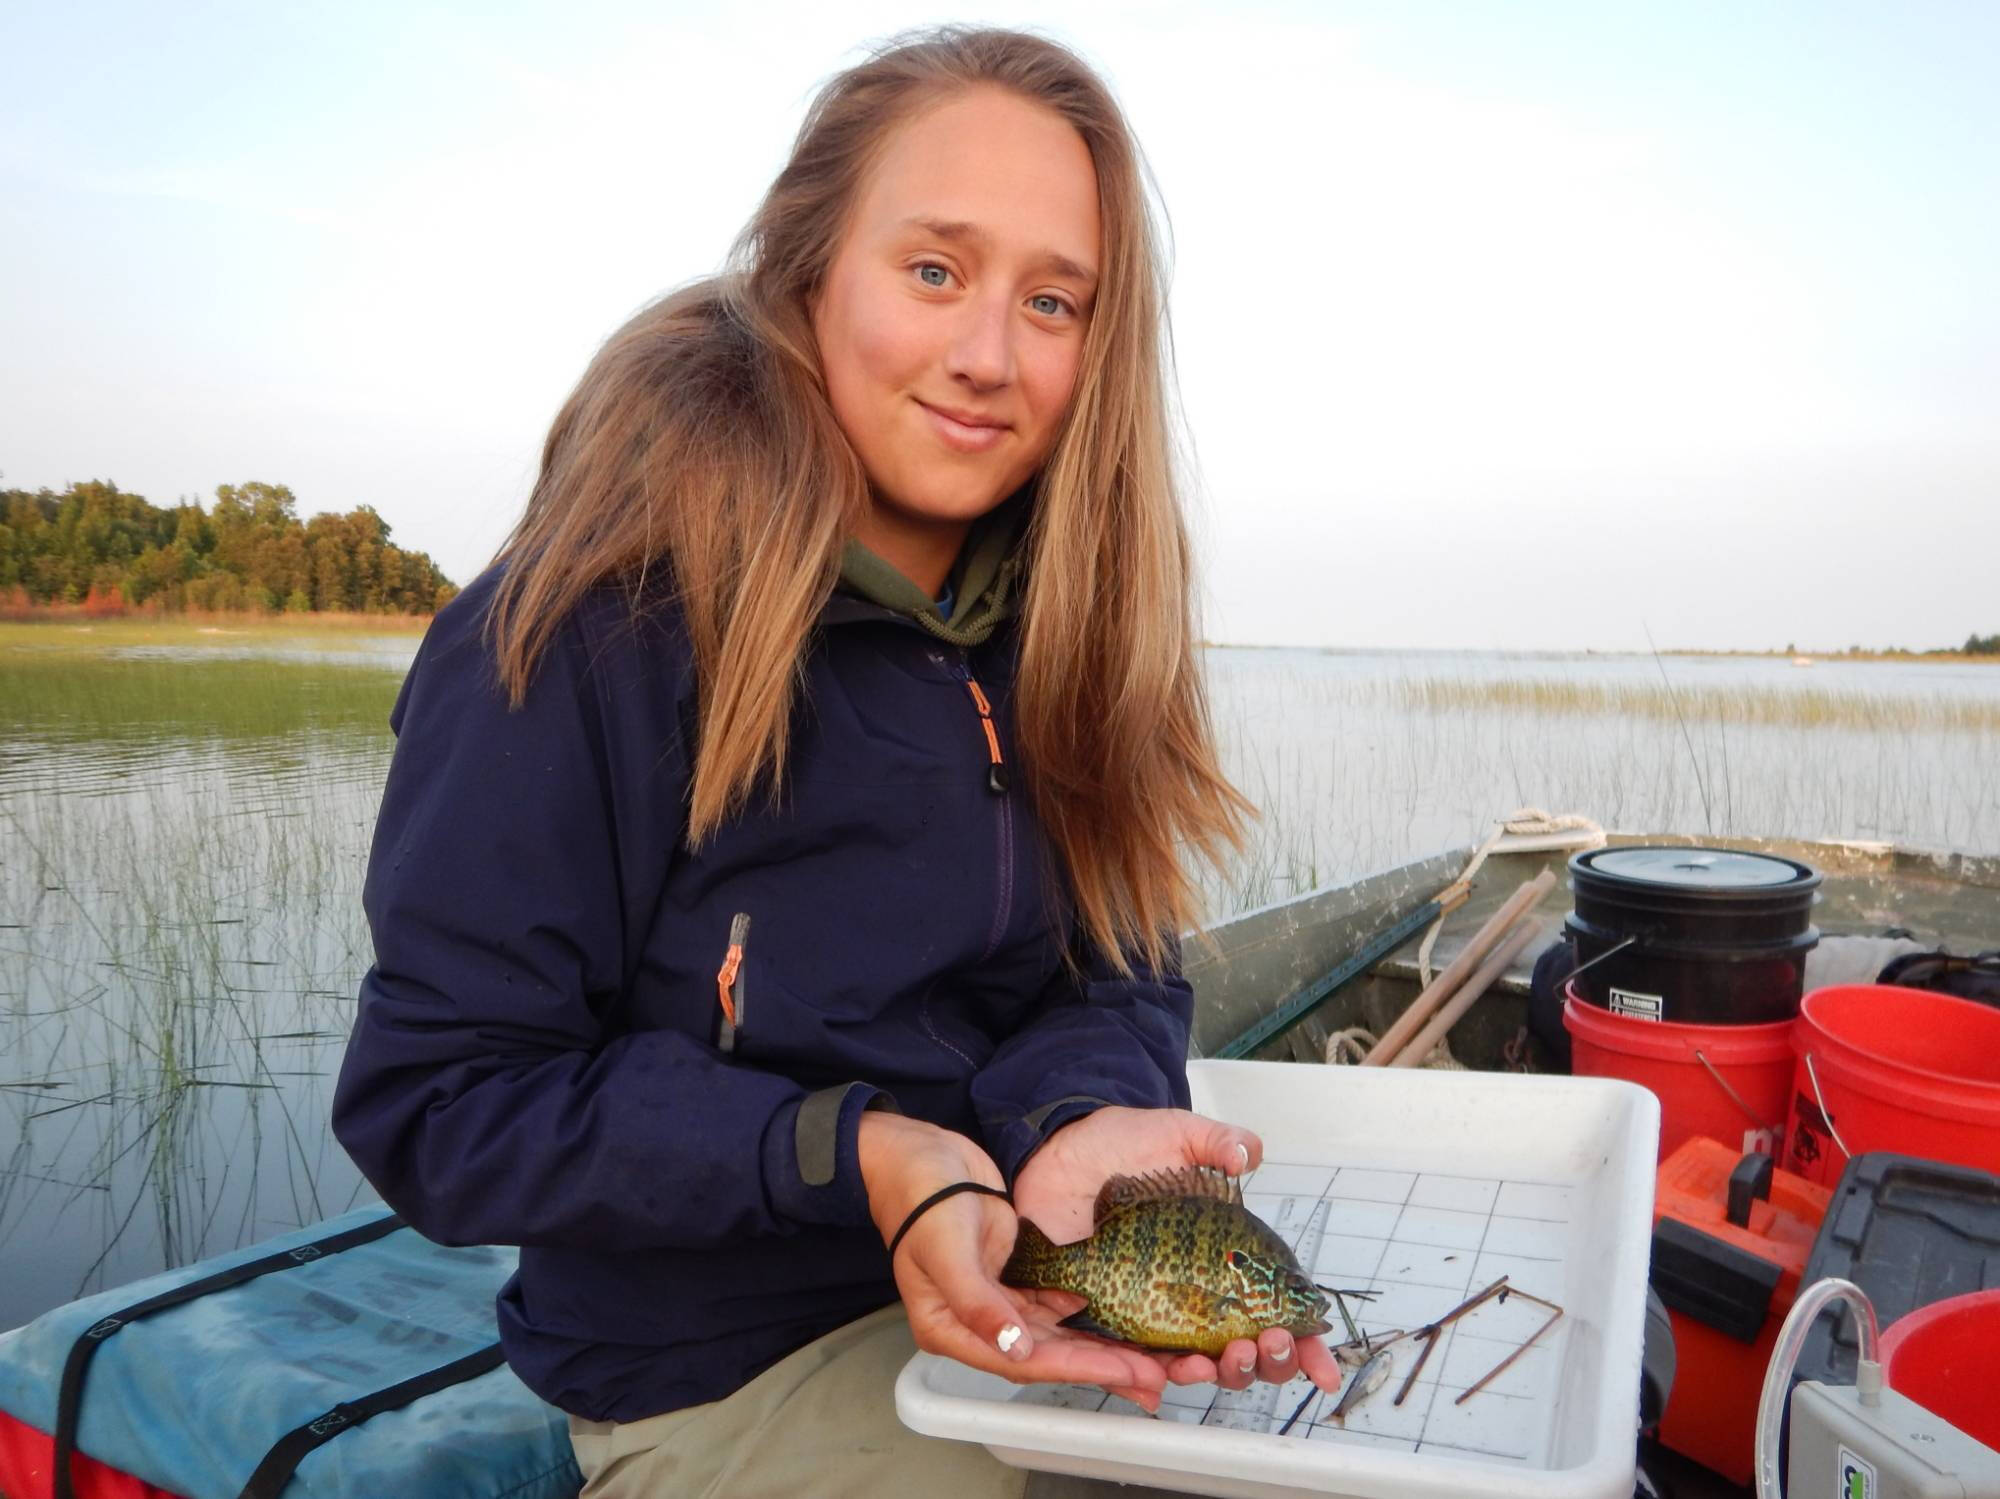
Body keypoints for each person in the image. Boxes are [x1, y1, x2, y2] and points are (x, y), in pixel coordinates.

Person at [331, 24, 1342, 1497]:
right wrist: (861, 1157)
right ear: (805, 273)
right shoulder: (582, 633)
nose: (987, 356)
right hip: (725, 1368)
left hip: (1030, 1282)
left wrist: (1073, 1124)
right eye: (933, 270)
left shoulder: (1063, 637)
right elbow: (443, 1101)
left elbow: (1118, 974)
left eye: (1053, 302)